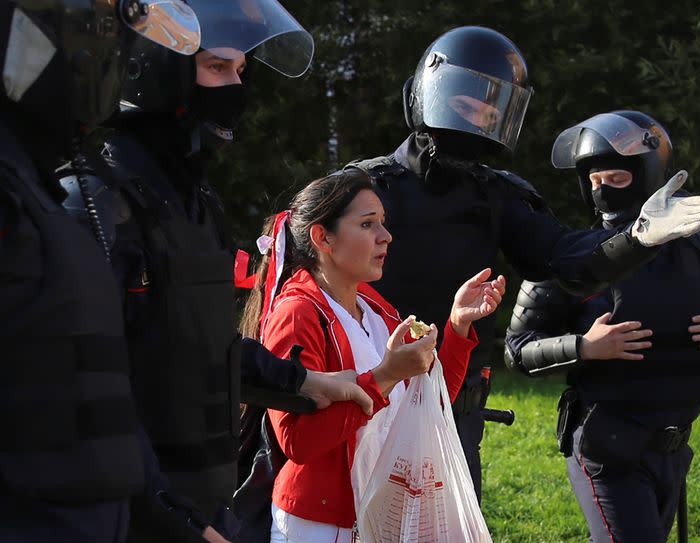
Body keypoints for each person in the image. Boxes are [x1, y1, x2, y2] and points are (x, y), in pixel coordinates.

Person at [346, 25, 700, 501]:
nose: (476, 125)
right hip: (364, 389)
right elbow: (306, 283)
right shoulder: (364, 186)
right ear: (427, 95)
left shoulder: (497, 193)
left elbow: (566, 261)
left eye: (489, 113)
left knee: (449, 528)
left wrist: (637, 238)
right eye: (465, 107)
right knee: (352, 520)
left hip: (453, 403)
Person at [55, 2, 368, 541]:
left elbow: (197, 347)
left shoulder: (194, 203)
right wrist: (176, 521)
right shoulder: (94, 205)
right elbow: (80, 399)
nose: (234, 88)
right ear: (154, 69)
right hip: (127, 519)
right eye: (216, 68)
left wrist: (300, 380)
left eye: (241, 72)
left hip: (202, 504)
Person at [0, 1, 204, 541]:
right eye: (92, 29)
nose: (103, 52)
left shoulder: (40, 193)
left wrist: (170, 517)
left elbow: (94, 397)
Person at [504, 110, 700, 543]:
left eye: (615, 179)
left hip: (673, 446)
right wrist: (583, 346)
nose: (602, 191)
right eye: (594, 181)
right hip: (607, 446)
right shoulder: (572, 258)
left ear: (649, 176)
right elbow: (516, 349)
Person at [238, 169, 506, 542]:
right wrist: (384, 377)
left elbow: (427, 400)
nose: (385, 236)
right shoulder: (297, 313)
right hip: (323, 525)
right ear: (322, 237)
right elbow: (297, 443)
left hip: (383, 513)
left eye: (382, 222)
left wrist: (458, 326)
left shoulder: (374, 307)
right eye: (367, 224)